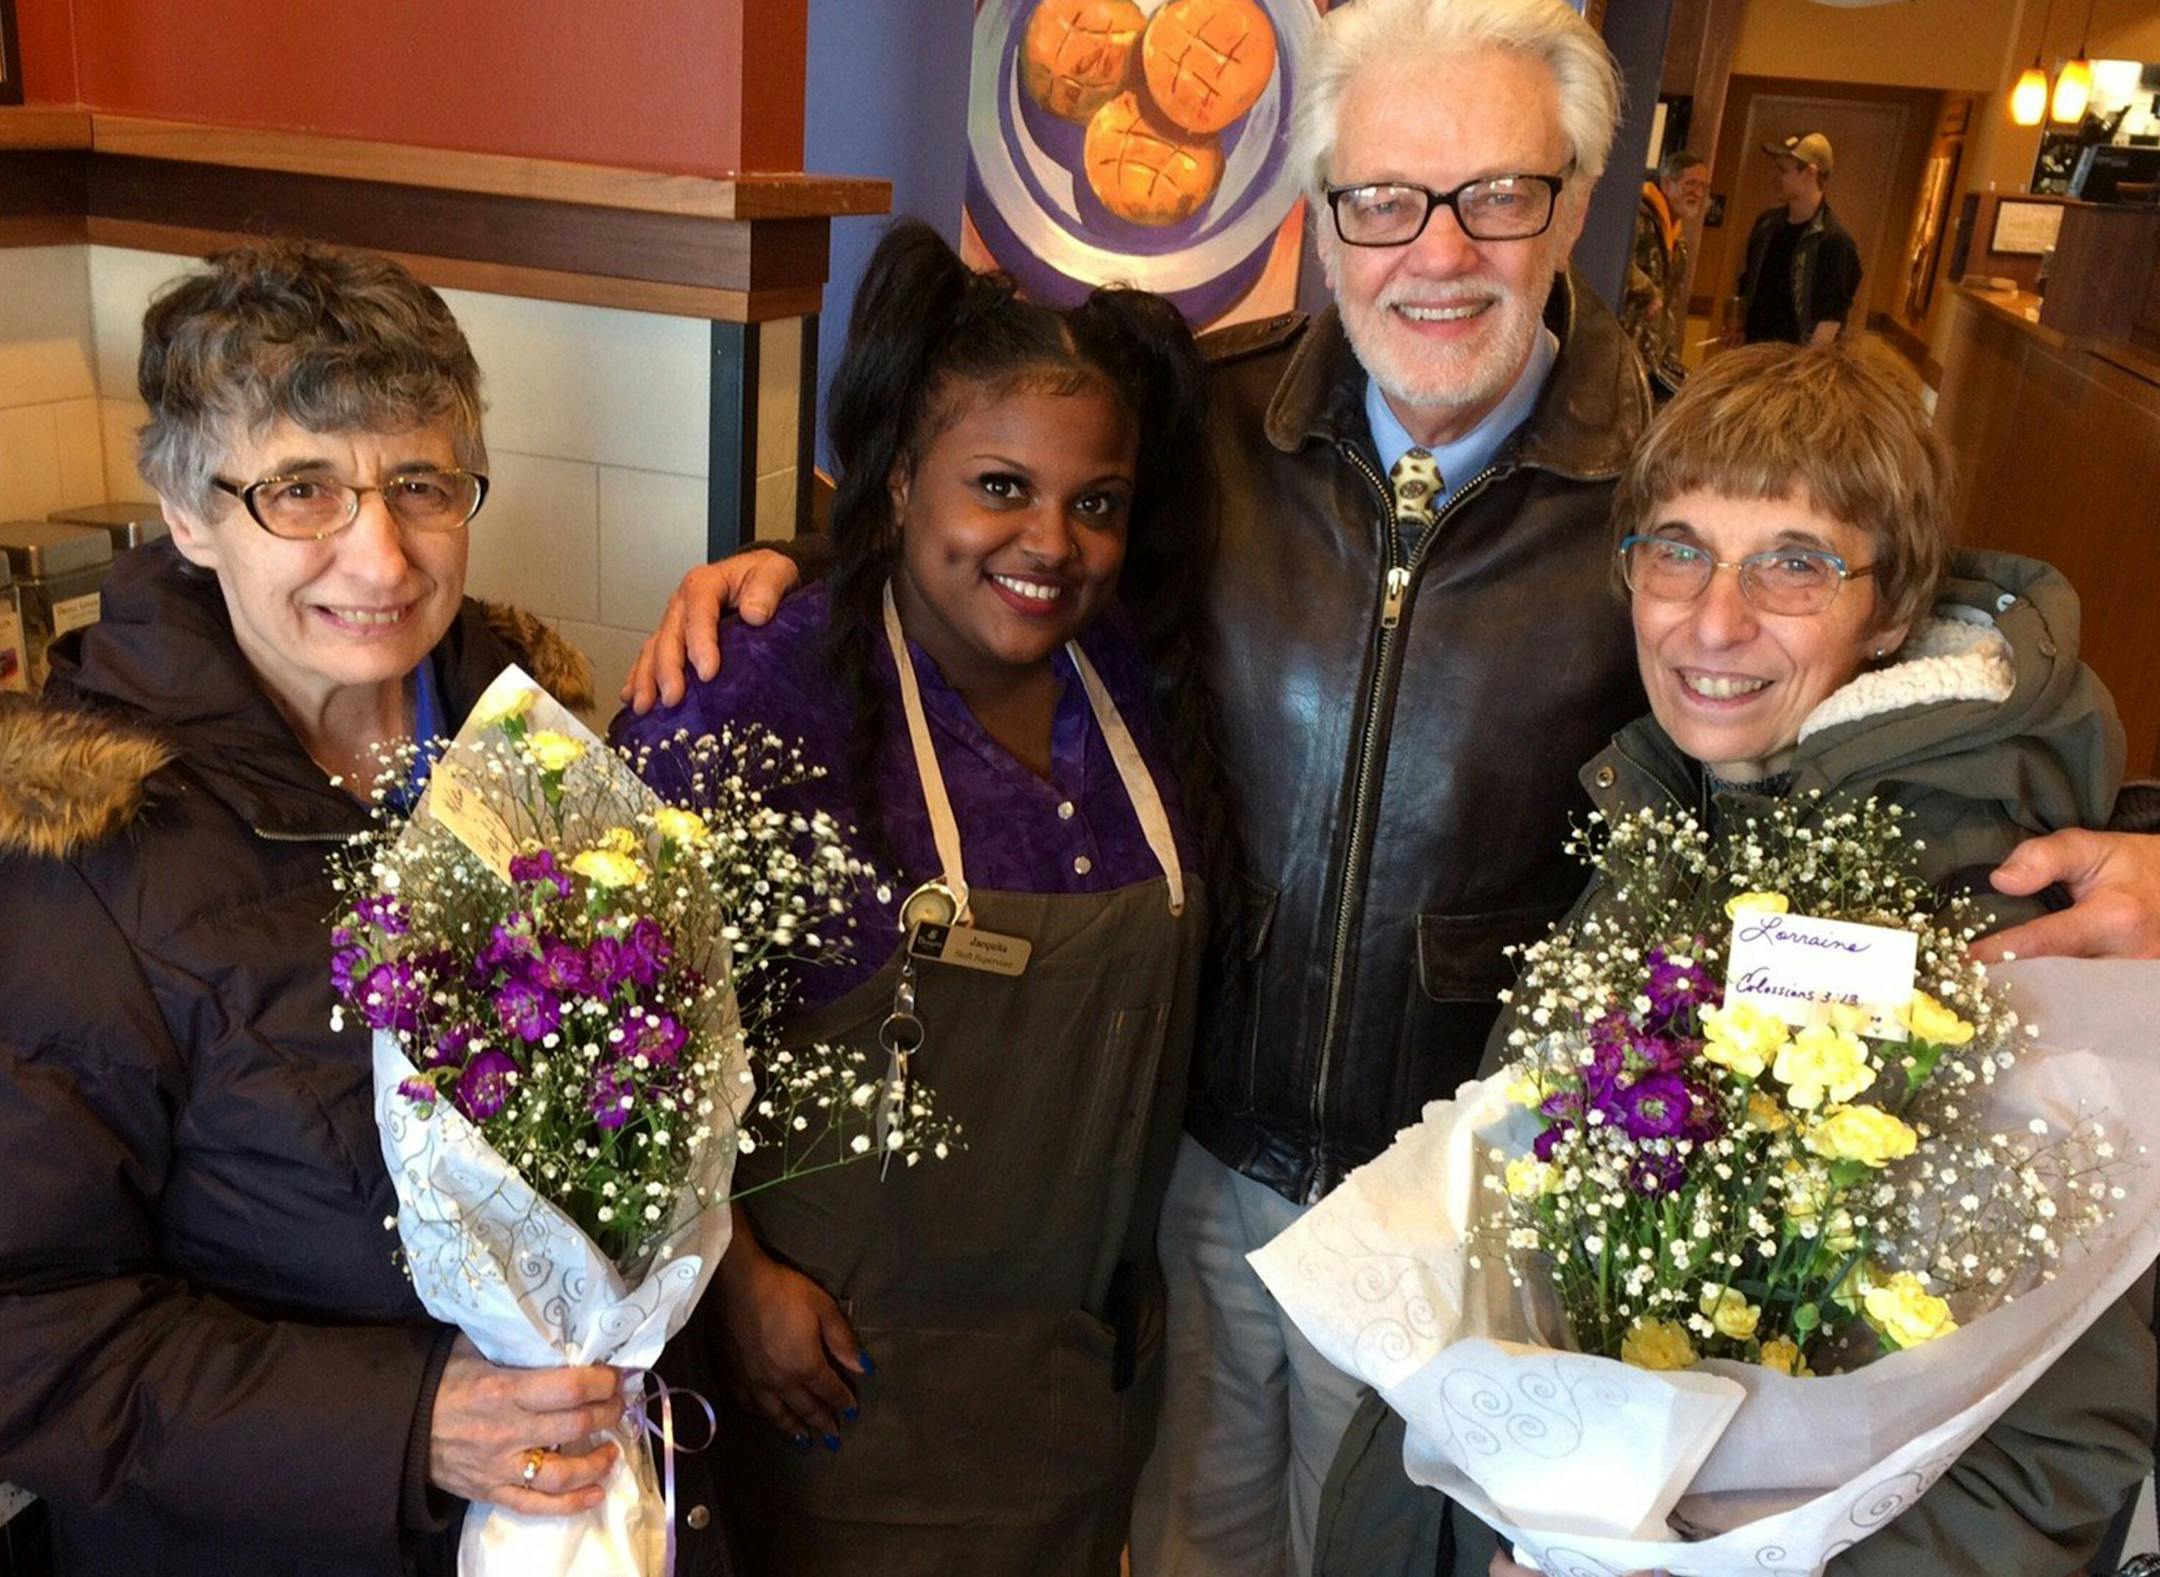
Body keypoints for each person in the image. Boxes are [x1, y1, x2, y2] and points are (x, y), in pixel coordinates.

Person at [618, 0, 2160, 1569]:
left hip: (1462, 1228)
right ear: (1324, 216)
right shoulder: (1208, 425)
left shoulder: (1670, 467)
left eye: (1500, 194)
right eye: (1383, 200)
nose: (1439, 252)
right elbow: (1005, 545)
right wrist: (781, 582)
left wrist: (2147, 842)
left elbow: (1914, 646)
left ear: (1571, 201)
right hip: (1194, 1179)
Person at [1322, 340, 2156, 1577]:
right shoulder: (1684, 807)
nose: (1715, 617)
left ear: (1895, 609)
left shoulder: (1993, 913)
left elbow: (2061, 1440)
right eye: (1678, 549)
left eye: (1796, 564)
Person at [0, 243, 726, 1576]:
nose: (379, 553)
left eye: (419, 485)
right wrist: (406, 1426)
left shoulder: (536, 745)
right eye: (300, 489)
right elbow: (26, 1329)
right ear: (186, 506)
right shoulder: (84, 856)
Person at [611, 219, 1218, 1575]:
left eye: (1097, 501)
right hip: (837, 1382)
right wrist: (736, 1278)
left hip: (1072, 1387)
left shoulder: (1127, 671)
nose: (1051, 543)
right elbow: (610, 1047)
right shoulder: (754, 691)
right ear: (895, 484)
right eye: (999, 485)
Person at [1729, 131, 1863, 348]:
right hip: (1752, 356)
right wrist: (1738, 326)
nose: (1773, 176)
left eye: (1782, 170)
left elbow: (1829, 321)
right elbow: (1746, 285)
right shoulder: (1767, 225)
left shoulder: (1835, 242)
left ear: (1810, 173)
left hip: (1795, 366)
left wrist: (1801, 372)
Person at [1623, 148, 1708, 389]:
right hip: (1623, 347)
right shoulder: (1637, 216)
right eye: (1691, 183)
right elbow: (1615, 262)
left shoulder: (1677, 240)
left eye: (1703, 186)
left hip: (1651, 359)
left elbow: (1670, 304)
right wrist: (1648, 292)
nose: (1698, 193)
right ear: (1667, 183)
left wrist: (1669, 351)